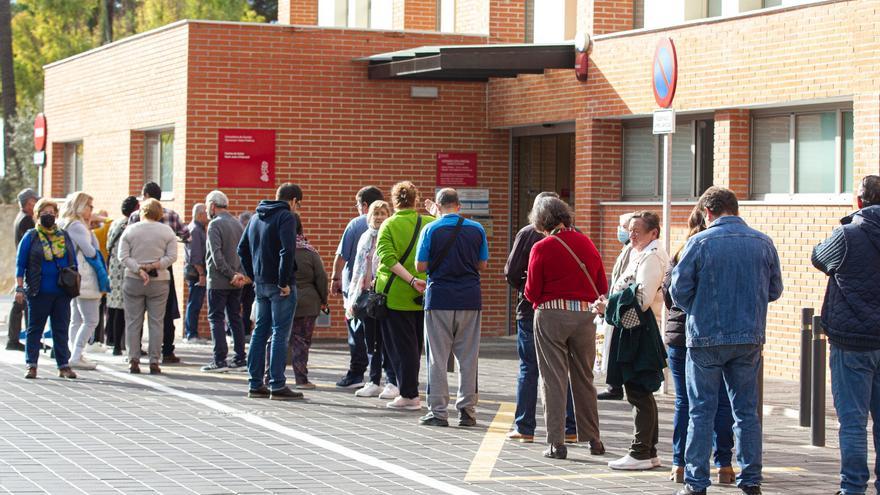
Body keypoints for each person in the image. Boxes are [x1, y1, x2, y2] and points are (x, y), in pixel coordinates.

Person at [671, 187, 783, 495]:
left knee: (701, 411)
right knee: (746, 412)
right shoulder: (763, 242)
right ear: (735, 209)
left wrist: (699, 307)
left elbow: (678, 292)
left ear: (707, 212)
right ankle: (751, 480)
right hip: (748, 337)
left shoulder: (699, 242)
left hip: (705, 337)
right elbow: (775, 290)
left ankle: (696, 483)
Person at [524, 196, 607, 460]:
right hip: (585, 317)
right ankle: (593, 439)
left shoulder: (542, 246)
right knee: (584, 377)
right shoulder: (586, 242)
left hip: (551, 316)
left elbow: (532, 291)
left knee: (553, 379)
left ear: (540, 220)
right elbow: (601, 284)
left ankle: (556, 443)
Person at [812, 175, 880, 495]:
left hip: (851, 342)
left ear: (859, 201)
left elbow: (818, 258)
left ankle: (853, 488)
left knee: (852, 422)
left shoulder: (848, 234)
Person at [663, 205, 734, 485]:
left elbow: (670, 296)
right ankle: (725, 465)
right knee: (722, 402)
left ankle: (680, 464)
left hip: (681, 336)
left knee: (685, 401)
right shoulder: (720, 250)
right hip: (717, 333)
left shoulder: (682, 252)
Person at [503, 192, 579, 444]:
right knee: (562, 369)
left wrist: (528, 290)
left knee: (529, 368)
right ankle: (569, 426)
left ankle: (525, 425)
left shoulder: (527, 234)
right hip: (566, 309)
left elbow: (512, 272)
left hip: (530, 309)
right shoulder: (575, 234)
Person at [597, 210, 668, 471]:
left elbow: (642, 299)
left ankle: (640, 452)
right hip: (631, 329)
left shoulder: (652, 257)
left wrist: (610, 305)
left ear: (653, 233)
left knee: (639, 390)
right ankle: (648, 451)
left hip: (641, 331)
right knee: (639, 391)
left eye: (638, 230)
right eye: (631, 229)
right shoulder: (637, 252)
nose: (632, 234)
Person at [415, 188, 488, 427]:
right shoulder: (477, 229)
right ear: (459, 205)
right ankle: (467, 411)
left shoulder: (430, 229)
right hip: (469, 298)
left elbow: (420, 265)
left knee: (437, 357)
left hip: (439, 299)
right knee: (468, 358)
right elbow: (482, 264)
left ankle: (438, 412)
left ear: (437, 205)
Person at [238, 183, 303, 400]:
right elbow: (288, 250)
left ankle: (255, 383)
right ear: (293, 201)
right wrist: (283, 281)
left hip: (261, 283)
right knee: (279, 333)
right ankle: (277, 383)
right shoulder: (286, 217)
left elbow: (242, 248)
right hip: (279, 285)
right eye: (298, 205)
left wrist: (252, 275)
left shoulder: (257, 216)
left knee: (259, 332)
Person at [375, 181, 434, 410]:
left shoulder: (388, 224)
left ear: (394, 200)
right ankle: (412, 390)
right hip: (423, 295)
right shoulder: (429, 223)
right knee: (416, 345)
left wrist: (410, 280)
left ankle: (409, 395)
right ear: (415, 200)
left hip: (396, 295)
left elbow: (387, 259)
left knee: (401, 348)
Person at [15, 198, 77, 379]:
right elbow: (20, 264)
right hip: (38, 290)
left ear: (57, 215)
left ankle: (63, 365)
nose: (48, 216)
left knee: (61, 328)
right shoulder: (31, 236)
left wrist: (74, 282)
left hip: (61, 291)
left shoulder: (64, 235)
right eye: (44, 213)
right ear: (37, 215)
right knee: (35, 329)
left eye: (51, 213)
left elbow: (72, 261)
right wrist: (19, 288)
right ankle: (31, 365)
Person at [330, 185, 385, 389]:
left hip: (356, 291)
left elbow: (341, 256)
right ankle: (379, 375)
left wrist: (335, 279)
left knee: (356, 333)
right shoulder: (390, 223)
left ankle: (356, 374)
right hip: (379, 290)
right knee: (379, 336)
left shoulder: (356, 224)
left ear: (364, 205)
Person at [129, 182, 189, 364]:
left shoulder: (134, 216)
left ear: (146, 195)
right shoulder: (171, 215)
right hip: (163, 266)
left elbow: (126, 243)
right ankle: (167, 351)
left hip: (138, 266)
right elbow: (187, 235)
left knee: (136, 313)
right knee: (165, 311)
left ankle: (135, 352)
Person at [119, 198, 178, 375]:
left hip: (133, 279)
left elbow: (122, 256)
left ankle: (133, 360)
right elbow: (172, 256)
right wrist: (155, 265)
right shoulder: (167, 231)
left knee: (133, 322)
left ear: (141, 212)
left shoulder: (130, 230)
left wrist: (139, 268)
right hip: (159, 280)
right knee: (156, 322)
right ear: (159, 213)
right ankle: (154, 361)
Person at [346, 200, 397, 398]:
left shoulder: (390, 237)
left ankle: (392, 381)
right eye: (375, 213)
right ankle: (373, 380)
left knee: (387, 340)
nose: (379, 217)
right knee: (371, 341)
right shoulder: (365, 238)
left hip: (385, 295)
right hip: (366, 295)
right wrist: (352, 298)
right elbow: (357, 269)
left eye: (383, 213)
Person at [60, 192, 109, 371]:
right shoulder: (78, 226)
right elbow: (90, 251)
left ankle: (75, 353)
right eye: (90, 206)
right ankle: (76, 354)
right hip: (86, 277)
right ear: (81, 206)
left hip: (74, 277)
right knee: (91, 320)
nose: (92, 210)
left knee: (76, 318)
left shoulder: (66, 223)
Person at [201, 191, 249, 373]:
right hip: (236, 281)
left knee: (216, 318)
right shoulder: (237, 224)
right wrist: (240, 275)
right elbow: (245, 252)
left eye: (207, 205)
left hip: (220, 281)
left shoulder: (214, 225)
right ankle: (239, 358)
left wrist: (231, 275)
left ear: (213, 205)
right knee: (235, 318)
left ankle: (219, 360)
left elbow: (216, 256)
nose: (206, 209)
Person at [288, 215, 329, 389]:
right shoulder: (309, 251)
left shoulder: (277, 249)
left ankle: (270, 378)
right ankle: (301, 379)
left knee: (275, 339)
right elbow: (321, 278)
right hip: (307, 302)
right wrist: (323, 300)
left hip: (281, 300)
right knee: (302, 341)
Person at [597, 212, 634, 401]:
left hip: (623, 306)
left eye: (622, 227)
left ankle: (616, 386)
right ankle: (614, 385)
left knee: (618, 346)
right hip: (616, 303)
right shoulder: (626, 248)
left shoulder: (631, 250)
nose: (619, 230)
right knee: (613, 345)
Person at [106, 196, 139, 356]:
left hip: (113, 268)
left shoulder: (114, 223)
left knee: (114, 306)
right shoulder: (130, 226)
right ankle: (122, 345)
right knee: (126, 308)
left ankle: (113, 342)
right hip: (125, 268)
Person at [7, 188, 39, 351]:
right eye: (35, 201)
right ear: (29, 202)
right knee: (23, 303)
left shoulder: (21, 217)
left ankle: (15, 339)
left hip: (24, 263)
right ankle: (16, 339)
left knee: (21, 303)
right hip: (27, 264)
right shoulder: (26, 220)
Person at [184, 203, 208, 343]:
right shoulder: (195, 230)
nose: (207, 216)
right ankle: (191, 334)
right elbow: (196, 255)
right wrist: (201, 274)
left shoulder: (197, 229)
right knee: (194, 302)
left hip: (195, 271)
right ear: (199, 215)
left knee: (195, 302)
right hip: (195, 273)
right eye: (205, 213)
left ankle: (192, 332)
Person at [238, 211, 255, 336]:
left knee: (247, 305)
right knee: (238, 305)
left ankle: (245, 331)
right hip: (242, 277)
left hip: (247, 277)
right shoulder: (247, 237)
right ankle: (240, 332)